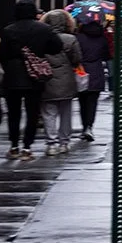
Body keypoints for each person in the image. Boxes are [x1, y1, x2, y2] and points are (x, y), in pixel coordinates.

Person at [0, 0, 62, 161]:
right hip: (34, 76)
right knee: (32, 112)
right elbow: (57, 46)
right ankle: (27, 147)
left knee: (13, 112)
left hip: (12, 76)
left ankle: (13, 146)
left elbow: (1, 54)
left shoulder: (8, 30)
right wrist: (39, 53)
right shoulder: (43, 29)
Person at [40, 11, 82, 155]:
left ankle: (51, 143)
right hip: (66, 79)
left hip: (47, 78)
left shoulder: (42, 38)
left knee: (48, 112)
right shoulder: (70, 39)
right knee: (66, 113)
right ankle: (64, 142)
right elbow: (77, 59)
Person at [75, 13, 109, 142]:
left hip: (81, 71)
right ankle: (89, 126)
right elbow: (106, 55)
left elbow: (75, 55)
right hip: (96, 71)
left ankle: (84, 127)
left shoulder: (78, 37)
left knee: (82, 101)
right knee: (92, 102)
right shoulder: (102, 38)